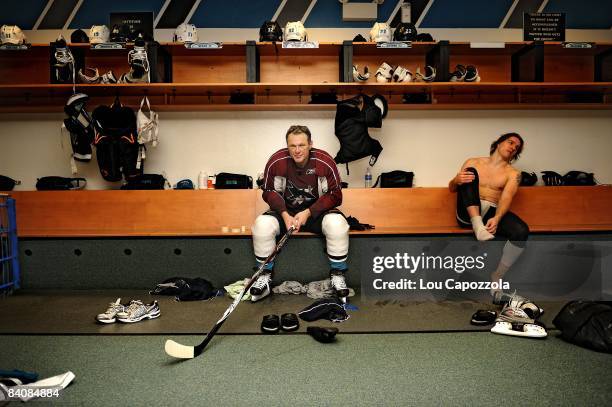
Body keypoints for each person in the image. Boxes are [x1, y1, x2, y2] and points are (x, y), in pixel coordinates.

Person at [250, 125, 350, 302]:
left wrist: (308, 212)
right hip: (286, 214)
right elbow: (268, 192)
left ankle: (338, 275)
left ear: (310, 144)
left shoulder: (324, 161)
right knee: (261, 225)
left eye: (302, 145)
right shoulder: (276, 161)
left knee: (338, 224)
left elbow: (336, 195)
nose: (297, 150)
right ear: (287, 146)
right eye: (292, 146)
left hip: (315, 214)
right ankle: (264, 276)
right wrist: (284, 214)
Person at [448, 132, 529, 292]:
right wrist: (456, 180)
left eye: (517, 147)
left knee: (521, 231)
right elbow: (452, 188)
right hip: (467, 213)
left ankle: (497, 275)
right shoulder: (473, 162)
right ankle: (478, 226)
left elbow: (506, 198)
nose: (513, 147)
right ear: (498, 143)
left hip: (491, 212)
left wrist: (498, 218)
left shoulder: (514, 174)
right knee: (470, 172)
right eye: (511, 142)